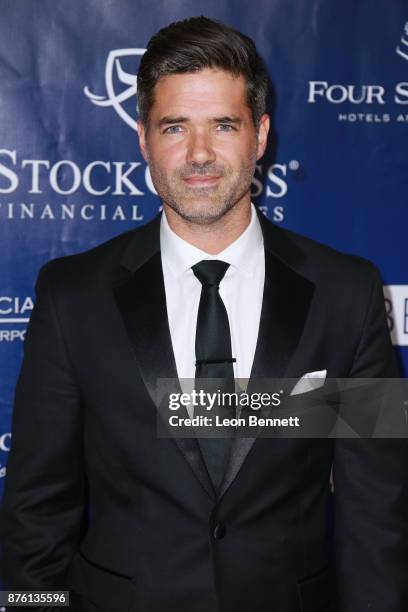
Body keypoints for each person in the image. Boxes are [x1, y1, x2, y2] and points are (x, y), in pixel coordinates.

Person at [1, 16, 407, 612]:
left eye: (223, 125)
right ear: (143, 138)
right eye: (174, 127)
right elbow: (36, 509)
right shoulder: (72, 296)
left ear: (260, 135)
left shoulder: (347, 293)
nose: (198, 154)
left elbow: (377, 510)